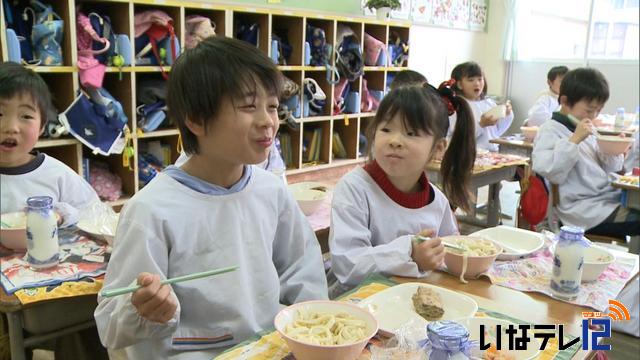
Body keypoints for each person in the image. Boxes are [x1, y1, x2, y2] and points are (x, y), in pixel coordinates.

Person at [94, 37, 328, 358]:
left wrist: (311, 329)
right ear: (196, 119)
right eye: (248, 106)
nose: (268, 121)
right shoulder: (151, 210)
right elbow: (111, 325)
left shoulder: (270, 190)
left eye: (272, 106)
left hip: (271, 348)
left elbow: (303, 269)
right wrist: (144, 310)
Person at [328, 81, 476, 296]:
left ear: (437, 148)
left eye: (411, 133)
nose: (395, 141)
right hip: (356, 306)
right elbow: (347, 266)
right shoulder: (355, 189)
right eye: (386, 129)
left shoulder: (437, 201)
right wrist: (409, 253)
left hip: (412, 303)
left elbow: (450, 252)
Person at [532, 67, 639, 238]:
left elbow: (610, 168)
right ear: (565, 101)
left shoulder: (586, 127)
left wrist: (614, 150)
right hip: (580, 209)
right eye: (589, 110)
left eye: (599, 109)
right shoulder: (549, 130)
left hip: (605, 197)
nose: (594, 114)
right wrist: (574, 141)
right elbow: (551, 172)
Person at [0, 62, 100, 226]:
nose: (11, 128)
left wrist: (64, 215)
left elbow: (95, 215)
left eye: (26, 116)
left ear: (42, 127)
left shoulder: (57, 175)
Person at [449, 61, 513, 152]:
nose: (477, 84)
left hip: (492, 153)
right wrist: (481, 125)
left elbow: (497, 131)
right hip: (468, 154)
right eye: (471, 80)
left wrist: (507, 114)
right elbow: (458, 138)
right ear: (459, 84)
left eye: (480, 79)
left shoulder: (488, 103)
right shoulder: (457, 106)